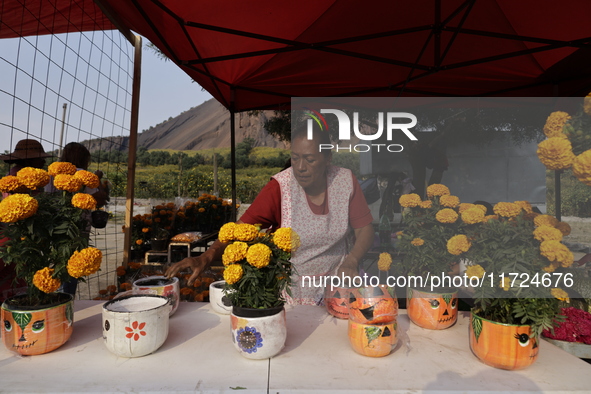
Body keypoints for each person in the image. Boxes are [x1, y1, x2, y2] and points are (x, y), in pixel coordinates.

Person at [166, 127, 375, 305]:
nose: (300, 167)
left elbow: (364, 227)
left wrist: (352, 261)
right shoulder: (279, 189)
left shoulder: (345, 181)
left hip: (338, 286)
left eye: (310, 159)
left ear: (328, 158)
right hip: (294, 293)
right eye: (295, 158)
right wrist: (206, 257)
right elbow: (239, 230)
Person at [46, 142, 110, 296]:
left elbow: (47, 197)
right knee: (73, 263)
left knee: (56, 262)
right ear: (83, 158)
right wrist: (98, 180)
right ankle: (66, 298)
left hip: (53, 225)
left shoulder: (51, 174)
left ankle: (57, 296)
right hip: (76, 226)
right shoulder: (82, 174)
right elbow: (99, 199)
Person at [0, 139, 53, 301]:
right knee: (18, 270)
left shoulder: (21, 174)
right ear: (29, 160)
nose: (44, 161)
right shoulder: (17, 176)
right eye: (40, 158)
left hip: (18, 229)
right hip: (16, 231)